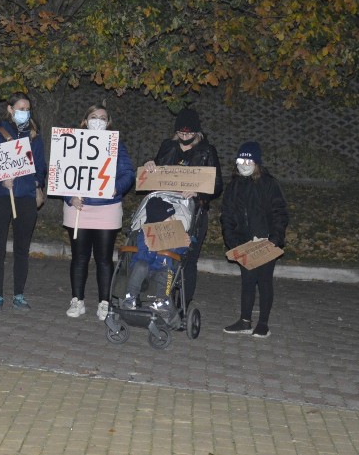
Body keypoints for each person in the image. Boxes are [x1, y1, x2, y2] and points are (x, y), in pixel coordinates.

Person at [0, 92, 47, 312]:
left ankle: (18, 295)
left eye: (27, 109)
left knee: (22, 250)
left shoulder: (34, 137)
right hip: (0, 198)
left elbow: (40, 167)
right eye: (20, 108)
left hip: (24, 199)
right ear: (10, 109)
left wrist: (36, 186)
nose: (24, 112)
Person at [143, 107, 223, 306]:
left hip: (193, 211)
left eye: (189, 133)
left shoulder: (207, 151)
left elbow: (217, 184)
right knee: (162, 253)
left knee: (188, 259)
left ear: (197, 132)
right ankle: (160, 296)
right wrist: (150, 166)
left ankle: (183, 304)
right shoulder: (168, 146)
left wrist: (199, 192)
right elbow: (157, 173)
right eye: (181, 132)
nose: (185, 136)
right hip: (168, 211)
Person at [64, 103, 135, 320]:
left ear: (108, 123)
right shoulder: (71, 144)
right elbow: (61, 172)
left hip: (107, 208)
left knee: (104, 258)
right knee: (79, 257)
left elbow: (128, 174)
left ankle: (105, 302)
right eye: (94, 117)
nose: (98, 120)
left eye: (103, 118)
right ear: (85, 121)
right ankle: (77, 300)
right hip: (79, 208)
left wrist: (116, 188)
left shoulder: (116, 146)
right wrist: (70, 197)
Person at [220, 141, 289, 338]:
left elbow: (280, 212)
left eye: (248, 160)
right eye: (241, 160)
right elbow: (227, 214)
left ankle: (263, 323)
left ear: (257, 163)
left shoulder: (268, 184)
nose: (244, 164)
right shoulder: (234, 186)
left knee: (264, 281)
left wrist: (274, 238)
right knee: (248, 281)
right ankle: (245, 320)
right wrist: (231, 239)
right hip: (244, 242)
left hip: (266, 242)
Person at [121, 197, 190, 314]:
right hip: (144, 270)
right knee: (141, 265)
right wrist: (152, 248)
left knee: (168, 271)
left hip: (161, 270)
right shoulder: (144, 235)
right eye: (170, 217)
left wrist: (184, 244)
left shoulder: (174, 234)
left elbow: (178, 253)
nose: (174, 219)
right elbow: (143, 258)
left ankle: (162, 301)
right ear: (158, 222)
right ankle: (130, 297)